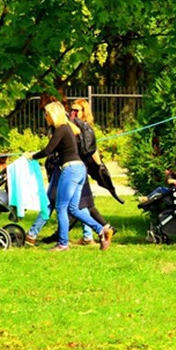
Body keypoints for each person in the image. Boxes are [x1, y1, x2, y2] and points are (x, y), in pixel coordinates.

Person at [25, 101, 114, 251]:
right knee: (74, 209)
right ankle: (102, 230)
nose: (45, 117)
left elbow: (48, 150)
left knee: (61, 207)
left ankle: (63, 244)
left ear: (53, 114)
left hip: (70, 170)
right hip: (79, 170)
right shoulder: (67, 129)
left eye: (46, 114)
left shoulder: (61, 129)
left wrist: (31, 156)